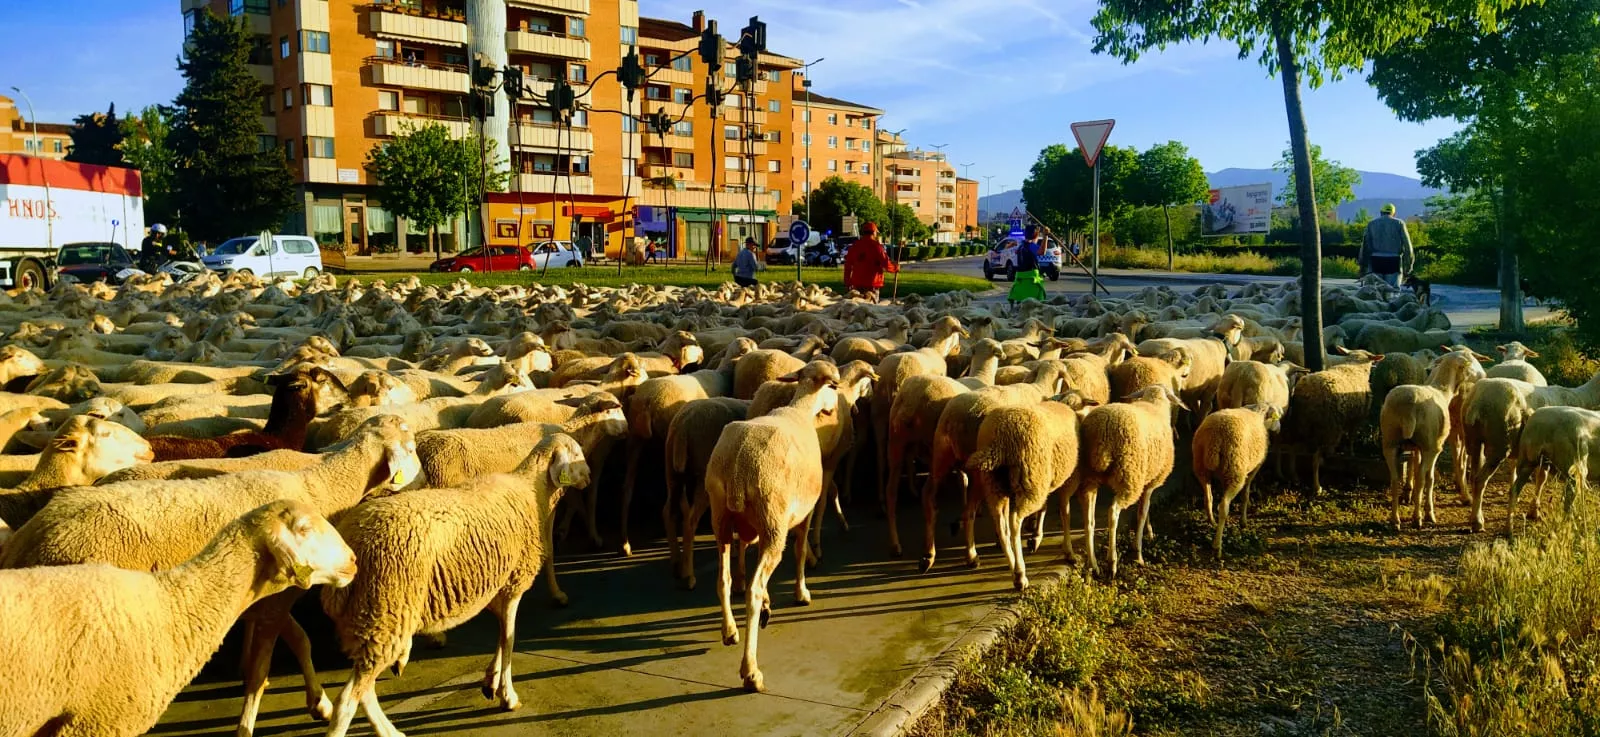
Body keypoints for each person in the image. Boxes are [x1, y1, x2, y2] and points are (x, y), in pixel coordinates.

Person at [1360, 203, 1415, 287]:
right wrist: (1408, 267)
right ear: (1394, 213)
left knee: (1375, 290)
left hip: (1375, 261)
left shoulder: (1371, 224)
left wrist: (1362, 266)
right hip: (1394, 261)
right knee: (1392, 291)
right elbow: (1408, 247)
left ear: (1381, 212)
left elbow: (1365, 246)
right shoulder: (1399, 223)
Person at [842, 222, 898, 301]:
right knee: (871, 307)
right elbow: (886, 264)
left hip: (857, 284)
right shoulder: (877, 247)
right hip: (872, 284)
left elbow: (848, 265)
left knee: (858, 306)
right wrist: (895, 268)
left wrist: (847, 282)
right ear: (874, 232)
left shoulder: (855, 246)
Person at [1008, 224, 1047, 305]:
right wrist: (1045, 236)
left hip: (1020, 280)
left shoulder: (1021, 246)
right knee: (1037, 302)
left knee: (1021, 303)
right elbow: (1042, 252)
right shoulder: (1032, 246)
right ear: (1036, 235)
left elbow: (1009, 247)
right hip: (1031, 281)